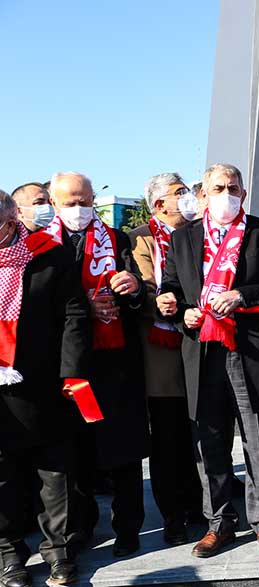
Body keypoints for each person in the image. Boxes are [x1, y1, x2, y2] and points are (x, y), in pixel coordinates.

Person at [156, 163, 259, 557]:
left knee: (257, 439)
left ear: (244, 195)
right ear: (202, 196)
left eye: (234, 188)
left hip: (250, 350)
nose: (227, 194)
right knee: (210, 441)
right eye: (219, 188)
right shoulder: (183, 238)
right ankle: (218, 522)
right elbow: (172, 289)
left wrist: (242, 295)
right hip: (202, 350)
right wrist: (178, 309)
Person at [45, 172, 150, 557]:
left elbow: (140, 294)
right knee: (75, 451)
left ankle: (128, 529)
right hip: (67, 363)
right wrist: (79, 309)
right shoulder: (41, 246)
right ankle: (81, 527)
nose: (79, 209)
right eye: (70, 202)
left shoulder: (118, 239)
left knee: (123, 449)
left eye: (85, 201)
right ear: (54, 203)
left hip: (115, 359)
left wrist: (134, 289)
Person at [0, 190, 90, 587]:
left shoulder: (48, 255)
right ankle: (9, 554)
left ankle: (59, 552)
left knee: (54, 473)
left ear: (10, 220)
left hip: (43, 381)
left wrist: (71, 373)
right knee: (3, 475)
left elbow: (73, 315)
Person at [128, 173, 202, 545]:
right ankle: (175, 513)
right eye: (180, 193)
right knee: (169, 437)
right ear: (159, 205)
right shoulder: (137, 238)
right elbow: (134, 288)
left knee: (198, 433)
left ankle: (200, 504)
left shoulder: (199, 232)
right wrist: (154, 298)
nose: (188, 198)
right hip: (160, 350)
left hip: (200, 342)